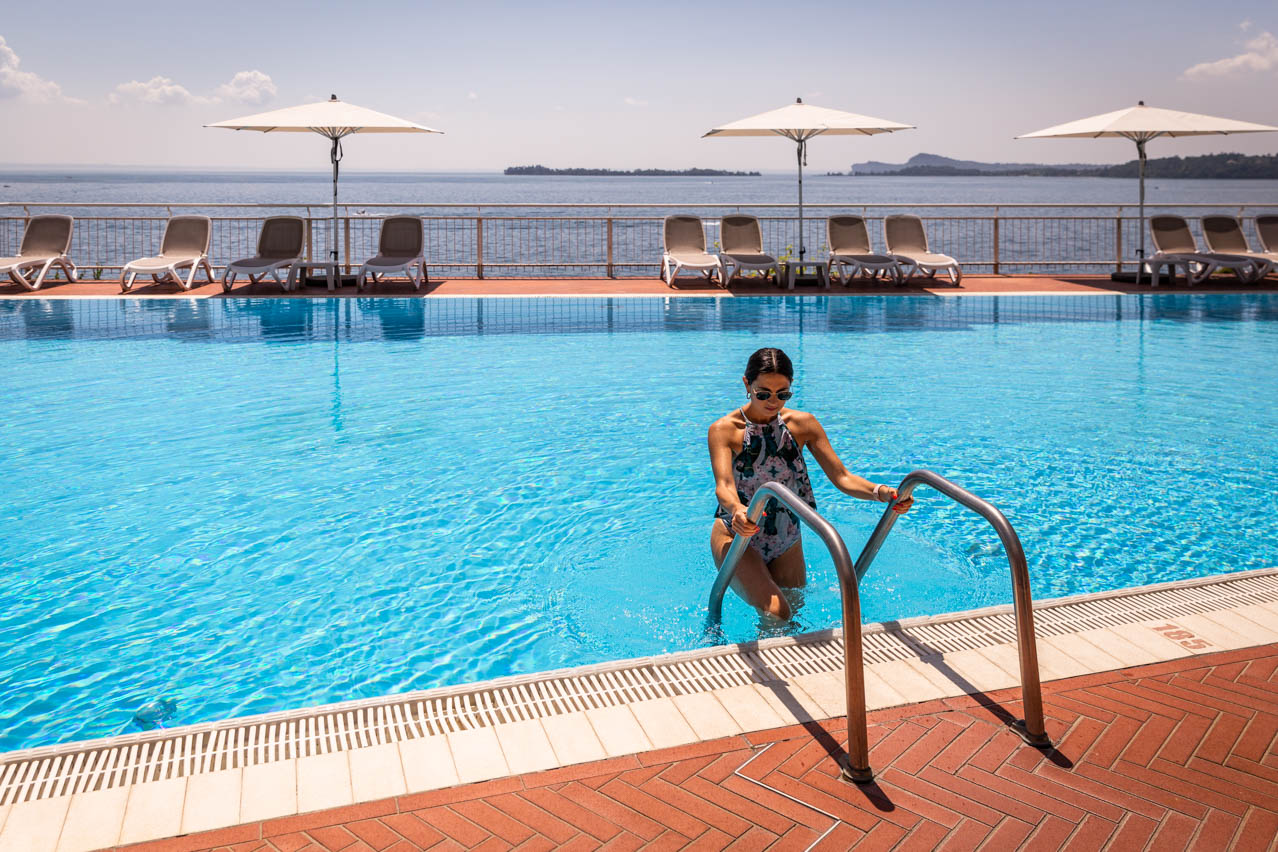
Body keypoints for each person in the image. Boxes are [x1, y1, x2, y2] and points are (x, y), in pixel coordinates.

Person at [709, 347, 913, 620]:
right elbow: (723, 485)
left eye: (783, 394)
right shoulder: (724, 429)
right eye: (763, 393)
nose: (773, 402)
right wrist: (737, 509)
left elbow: (842, 477)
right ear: (747, 384)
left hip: (786, 536)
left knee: (794, 613)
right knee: (777, 612)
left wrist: (882, 493)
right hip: (737, 533)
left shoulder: (803, 424)